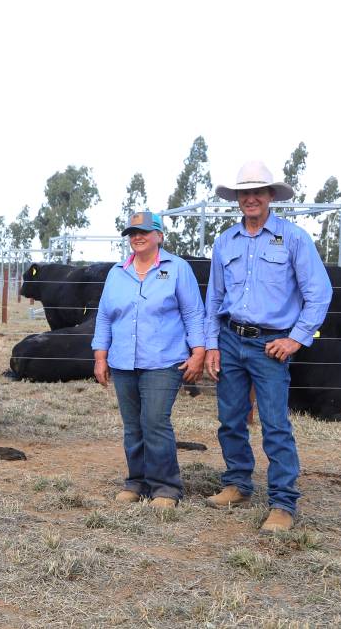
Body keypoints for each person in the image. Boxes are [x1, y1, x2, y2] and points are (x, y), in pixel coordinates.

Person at [203, 160, 332, 534]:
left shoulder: (293, 238)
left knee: (275, 423)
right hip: (229, 338)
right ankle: (238, 484)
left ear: (271, 196)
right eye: (245, 193)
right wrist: (212, 344)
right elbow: (214, 297)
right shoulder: (225, 241)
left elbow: (319, 293)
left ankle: (282, 503)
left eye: (258, 192)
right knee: (230, 418)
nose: (251, 199)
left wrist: (295, 338)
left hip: (270, 343)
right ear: (237, 198)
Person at [92, 211, 205, 509]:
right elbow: (104, 316)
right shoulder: (117, 272)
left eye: (143, 231)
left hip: (163, 360)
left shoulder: (178, 269)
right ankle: (136, 481)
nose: (137, 237)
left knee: (155, 421)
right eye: (132, 233)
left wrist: (198, 352)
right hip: (122, 361)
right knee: (133, 425)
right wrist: (100, 356)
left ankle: (166, 487)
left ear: (159, 236)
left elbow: (193, 313)